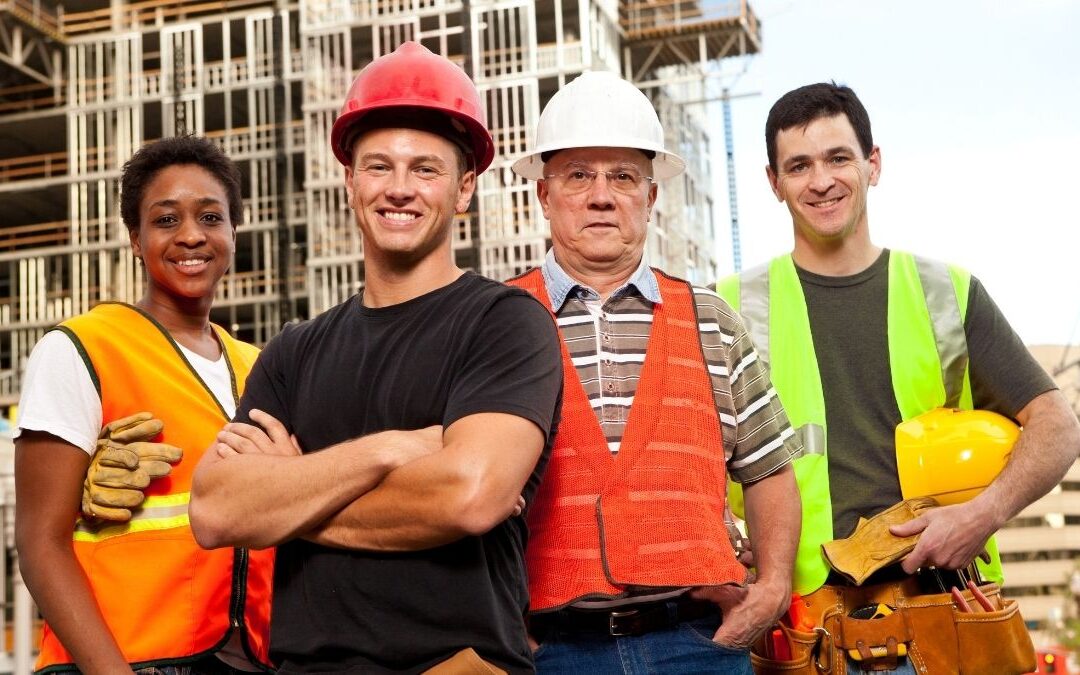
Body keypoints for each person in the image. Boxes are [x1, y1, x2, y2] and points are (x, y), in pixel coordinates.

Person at [188, 41, 563, 674]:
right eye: (378, 167)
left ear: (465, 187)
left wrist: (290, 498)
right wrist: (388, 450)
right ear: (349, 181)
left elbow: (469, 495)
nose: (399, 190)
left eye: (426, 170)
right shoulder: (293, 351)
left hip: (458, 666)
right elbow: (217, 510)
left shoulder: (505, 324)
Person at [718, 82, 1080, 673]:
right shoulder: (729, 307)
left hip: (944, 616)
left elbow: (1059, 426)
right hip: (805, 630)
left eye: (839, 157)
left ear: (873, 164)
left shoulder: (947, 292)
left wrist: (981, 515)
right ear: (773, 183)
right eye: (799, 166)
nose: (822, 180)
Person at [505, 70, 802, 674]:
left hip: (696, 645)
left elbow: (770, 469)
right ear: (543, 194)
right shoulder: (496, 323)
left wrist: (771, 590)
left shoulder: (711, 320)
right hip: (548, 652)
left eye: (622, 177)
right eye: (578, 175)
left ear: (651, 195)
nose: (601, 195)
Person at [14, 135, 274, 673]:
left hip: (245, 659)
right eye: (165, 220)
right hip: (122, 659)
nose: (191, 236)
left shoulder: (258, 367)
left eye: (210, 217)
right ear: (135, 239)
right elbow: (40, 544)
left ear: (233, 231)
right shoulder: (83, 349)